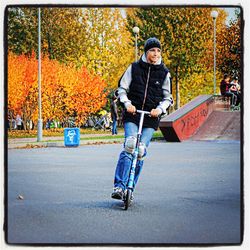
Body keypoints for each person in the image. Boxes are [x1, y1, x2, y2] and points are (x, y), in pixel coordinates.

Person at [111, 37, 173, 200]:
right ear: (146, 52)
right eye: (152, 50)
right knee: (130, 145)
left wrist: (159, 109)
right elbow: (121, 89)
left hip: (150, 117)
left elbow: (168, 98)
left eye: (158, 50)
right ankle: (119, 186)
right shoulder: (134, 68)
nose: (156, 53)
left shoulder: (164, 73)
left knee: (140, 152)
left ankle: (130, 187)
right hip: (133, 113)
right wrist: (127, 103)